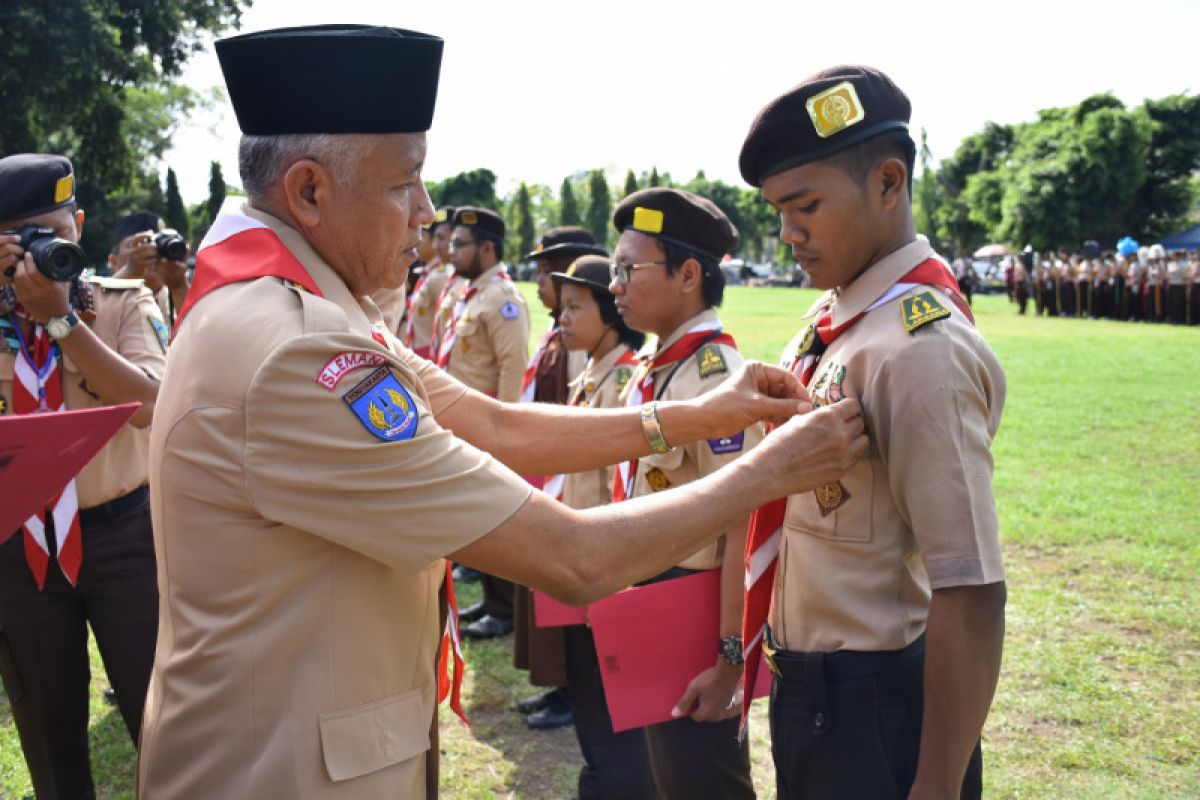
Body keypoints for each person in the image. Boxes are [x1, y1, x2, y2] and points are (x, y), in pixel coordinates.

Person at [138, 26, 867, 799]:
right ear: (311, 191)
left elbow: (494, 424)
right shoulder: (296, 348)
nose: (425, 212)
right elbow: (573, 559)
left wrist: (701, 414)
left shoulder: (303, 315)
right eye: (403, 183)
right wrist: (768, 470)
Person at [738, 65, 1007, 799]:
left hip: (873, 708)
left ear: (888, 183)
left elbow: (971, 589)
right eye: (777, 211)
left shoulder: (921, 345)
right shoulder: (843, 321)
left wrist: (938, 785)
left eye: (805, 206)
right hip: (814, 694)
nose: (786, 233)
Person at [0, 154, 164, 799]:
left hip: (123, 539)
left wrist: (63, 321)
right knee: (50, 738)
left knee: (164, 724)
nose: (40, 254)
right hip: (19, 548)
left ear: (79, 225)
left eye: (52, 234)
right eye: (20, 238)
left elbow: (155, 403)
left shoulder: (122, 303)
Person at [607, 187, 760, 799]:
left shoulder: (717, 377)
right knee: (672, 777)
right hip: (650, 594)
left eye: (628, 269)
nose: (615, 284)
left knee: (705, 782)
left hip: (694, 609)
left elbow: (742, 522)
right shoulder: (659, 366)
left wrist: (729, 657)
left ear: (689, 274)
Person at [550, 253, 656, 798]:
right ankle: (600, 777)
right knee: (588, 693)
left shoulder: (624, 379)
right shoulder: (592, 371)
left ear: (610, 318)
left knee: (612, 702)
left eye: (574, 308)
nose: (562, 319)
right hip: (587, 561)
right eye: (561, 308)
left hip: (613, 569)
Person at [508, 226, 607, 731]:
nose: (540, 284)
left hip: (569, 482)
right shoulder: (558, 333)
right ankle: (559, 686)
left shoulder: (581, 345)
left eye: (549, 274)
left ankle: (570, 691)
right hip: (546, 471)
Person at [436, 205, 530, 640]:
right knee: (478, 516)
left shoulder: (504, 299)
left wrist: (506, 434)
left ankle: (504, 609)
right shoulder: (472, 293)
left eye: (460, 244)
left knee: (498, 516)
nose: (451, 251)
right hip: (463, 426)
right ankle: (492, 601)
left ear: (487, 248)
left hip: (488, 428)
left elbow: (513, 369)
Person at [108, 210, 191, 327]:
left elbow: (199, 336)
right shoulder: (98, 299)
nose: (148, 250)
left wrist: (179, 286)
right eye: (135, 245)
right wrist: (127, 276)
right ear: (113, 261)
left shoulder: (175, 297)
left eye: (153, 244)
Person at [400, 207, 454, 357]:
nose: (417, 241)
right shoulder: (429, 273)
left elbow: (445, 326)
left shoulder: (441, 276)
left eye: (422, 236)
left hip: (428, 355)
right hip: (415, 351)